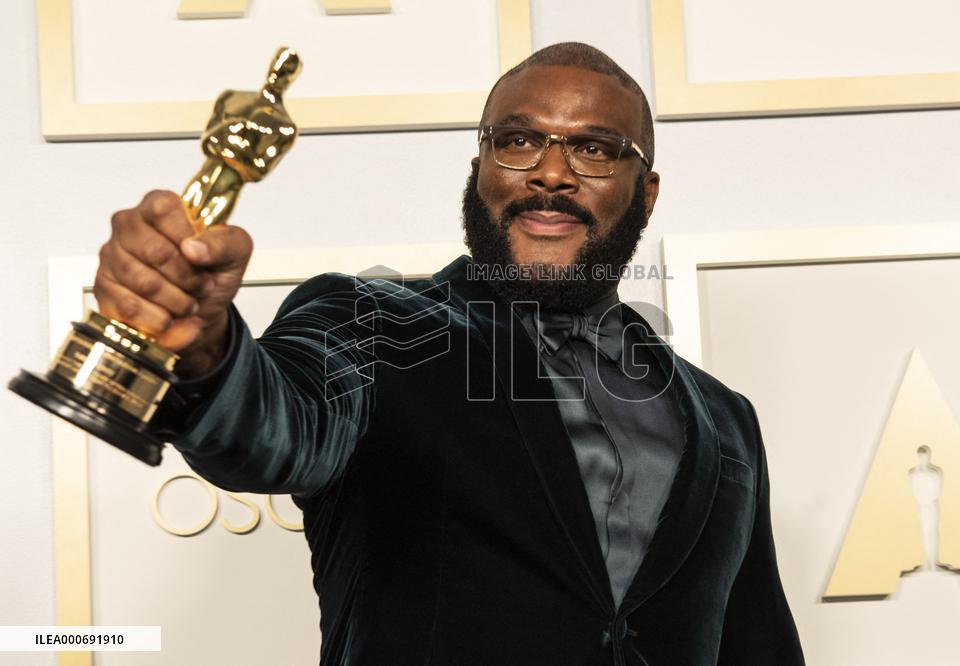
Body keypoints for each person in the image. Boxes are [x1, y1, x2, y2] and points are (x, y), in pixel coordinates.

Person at [94, 42, 804, 666]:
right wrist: (203, 348)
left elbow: (758, 646)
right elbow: (275, 434)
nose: (551, 172)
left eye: (593, 149)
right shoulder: (370, 323)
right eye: (520, 140)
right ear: (481, 168)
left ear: (644, 194)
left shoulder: (726, 421)